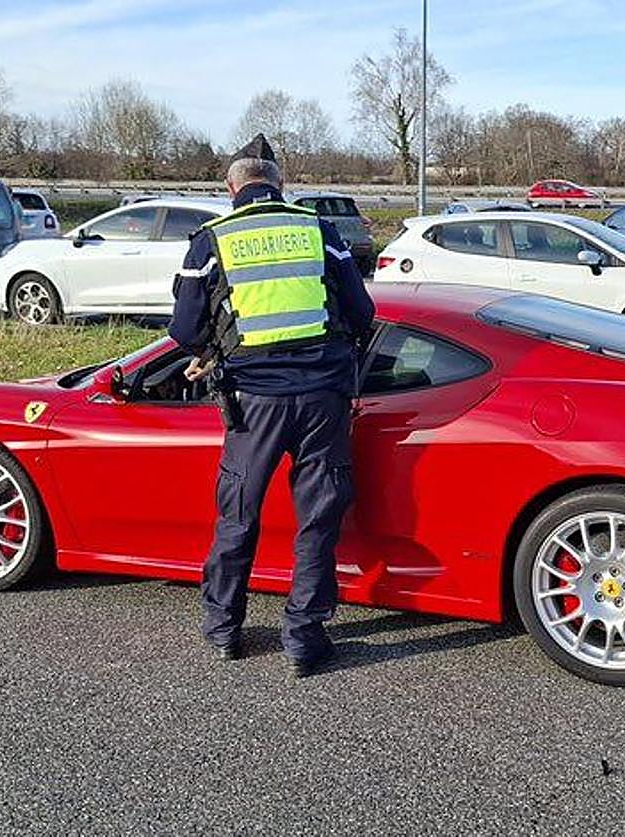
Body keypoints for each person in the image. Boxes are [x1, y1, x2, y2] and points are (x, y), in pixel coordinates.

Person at [169, 134, 375, 678]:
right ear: (282, 185)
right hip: (323, 399)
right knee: (318, 517)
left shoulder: (210, 240)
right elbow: (362, 312)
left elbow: (184, 329)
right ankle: (305, 640)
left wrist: (214, 349)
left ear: (231, 187)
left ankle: (223, 630)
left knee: (239, 513)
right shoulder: (319, 231)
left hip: (252, 402)